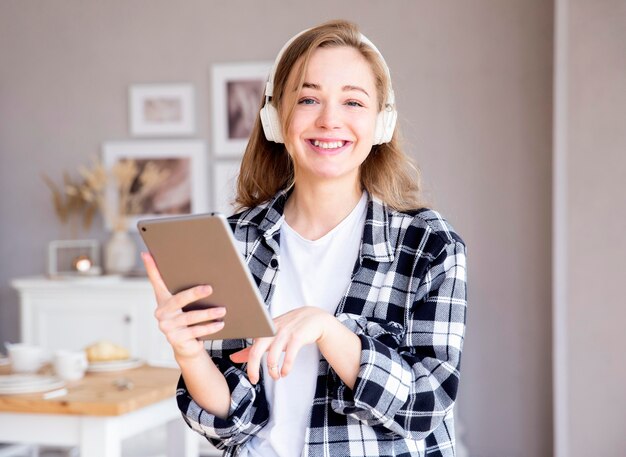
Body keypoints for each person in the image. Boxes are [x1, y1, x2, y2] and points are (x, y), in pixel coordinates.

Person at [142, 19, 467, 457]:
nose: (330, 120)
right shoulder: (236, 241)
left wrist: (328, 330)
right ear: (276, 119)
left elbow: (427, 406)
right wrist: (188, 354)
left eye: (353, 101)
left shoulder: (430, 244)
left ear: (381, 122)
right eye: (309, 98)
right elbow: (229, 424)